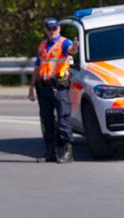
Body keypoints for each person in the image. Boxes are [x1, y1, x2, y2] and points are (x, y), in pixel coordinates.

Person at [28, 17, 79, 163]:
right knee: (47, 121)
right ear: (45, 30)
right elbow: (38, 67)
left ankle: (66, 152)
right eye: (49, 29)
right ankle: (50, 153)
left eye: (54, 28)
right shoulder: (43, 45)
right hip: (44, 87)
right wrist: (31, 87)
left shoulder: (64, 43)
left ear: (59, 29)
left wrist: (75, 47)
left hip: (59, 86)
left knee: (63, 119)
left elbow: (71, 50)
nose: (52, 31)